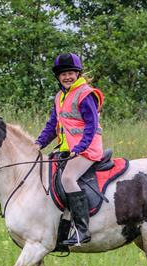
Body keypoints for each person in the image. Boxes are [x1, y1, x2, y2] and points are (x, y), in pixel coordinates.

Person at [35, 53, 104, 246]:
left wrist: (81, 147)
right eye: (63, 74)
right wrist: (38, 144)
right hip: (67, 150)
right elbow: (52, 125)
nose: (67, 77)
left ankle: (82, 231)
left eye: (71, 73)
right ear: (58, 76)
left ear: (78, 73)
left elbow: (91, 124)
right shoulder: (60, 97)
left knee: (68, 178)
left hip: (87, 149)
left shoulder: (85, 93)